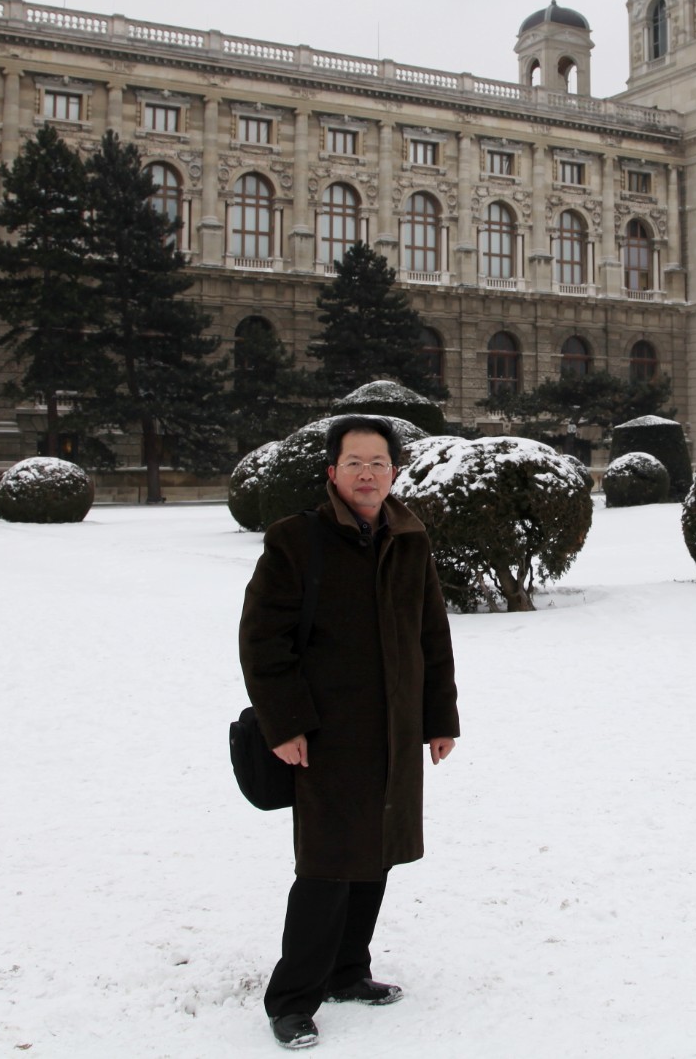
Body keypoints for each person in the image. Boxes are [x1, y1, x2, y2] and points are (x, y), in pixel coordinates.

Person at [239, 415, 459, 1051]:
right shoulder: (295, 540)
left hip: (395, 726)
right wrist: (284, 725)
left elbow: (432, 635)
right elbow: (262, 641)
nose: (368, 474)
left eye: (380, 463)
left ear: (394, 472)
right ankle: (292, 999)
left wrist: (439, 717)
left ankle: (347, 970)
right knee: (329, 863)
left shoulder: (410, 537)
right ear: (332, 472)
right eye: (355, 463)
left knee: (377, 852)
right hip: (323, 732)